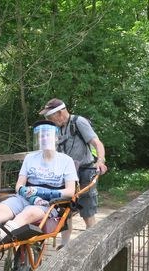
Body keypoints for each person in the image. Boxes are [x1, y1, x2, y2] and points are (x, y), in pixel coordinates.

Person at [0, 120, 77, 244]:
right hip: (25, 197)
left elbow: (70, 191)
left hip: (48, 203)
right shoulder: (30, 158)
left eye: (47, 135)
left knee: (28, 213)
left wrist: (42, 192)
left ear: (56, 137)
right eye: (41, 136)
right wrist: (30, 195)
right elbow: (19, 185)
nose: (44, 138)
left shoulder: (66, 161)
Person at [39, 98, 107, 246]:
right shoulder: (57, 128)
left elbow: (96, 143)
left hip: (85, 171)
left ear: (60, 113)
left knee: (87, 211)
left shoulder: (79, 122)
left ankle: (91, 246)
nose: (49, 120)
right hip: (66, 174)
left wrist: (100, 160)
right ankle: (65, 246)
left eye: (50, 117)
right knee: (65, 211)